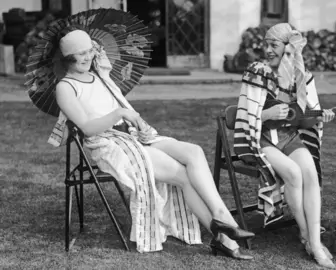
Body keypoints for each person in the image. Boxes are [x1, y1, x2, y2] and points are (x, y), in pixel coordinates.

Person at [49, 26, 254, 260]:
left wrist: (140, 125)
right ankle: (224, 235)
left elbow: (124, 108)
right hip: (109, 143)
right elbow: (87, 128)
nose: (87, 57)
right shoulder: (65, 88)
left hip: (132, 134)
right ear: (68, 58)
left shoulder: (99, 75)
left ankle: (221, 217)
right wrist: (118, 114)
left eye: (89, 51)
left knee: (194, 151)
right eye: (80, 54)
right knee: (183, 175)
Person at [234, 23, 336, 268]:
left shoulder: (301, 76)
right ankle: (310, 239)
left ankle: (314, 241)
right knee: (292, 174)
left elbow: (306, 114)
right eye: (266, 44)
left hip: (288, 138)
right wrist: (267, 114)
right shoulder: (256, 71)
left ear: (288, 47)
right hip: (261, 138)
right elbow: (244, 115)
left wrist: (321, 116)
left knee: (309, 173)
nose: (268, 49)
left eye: (274, 45)